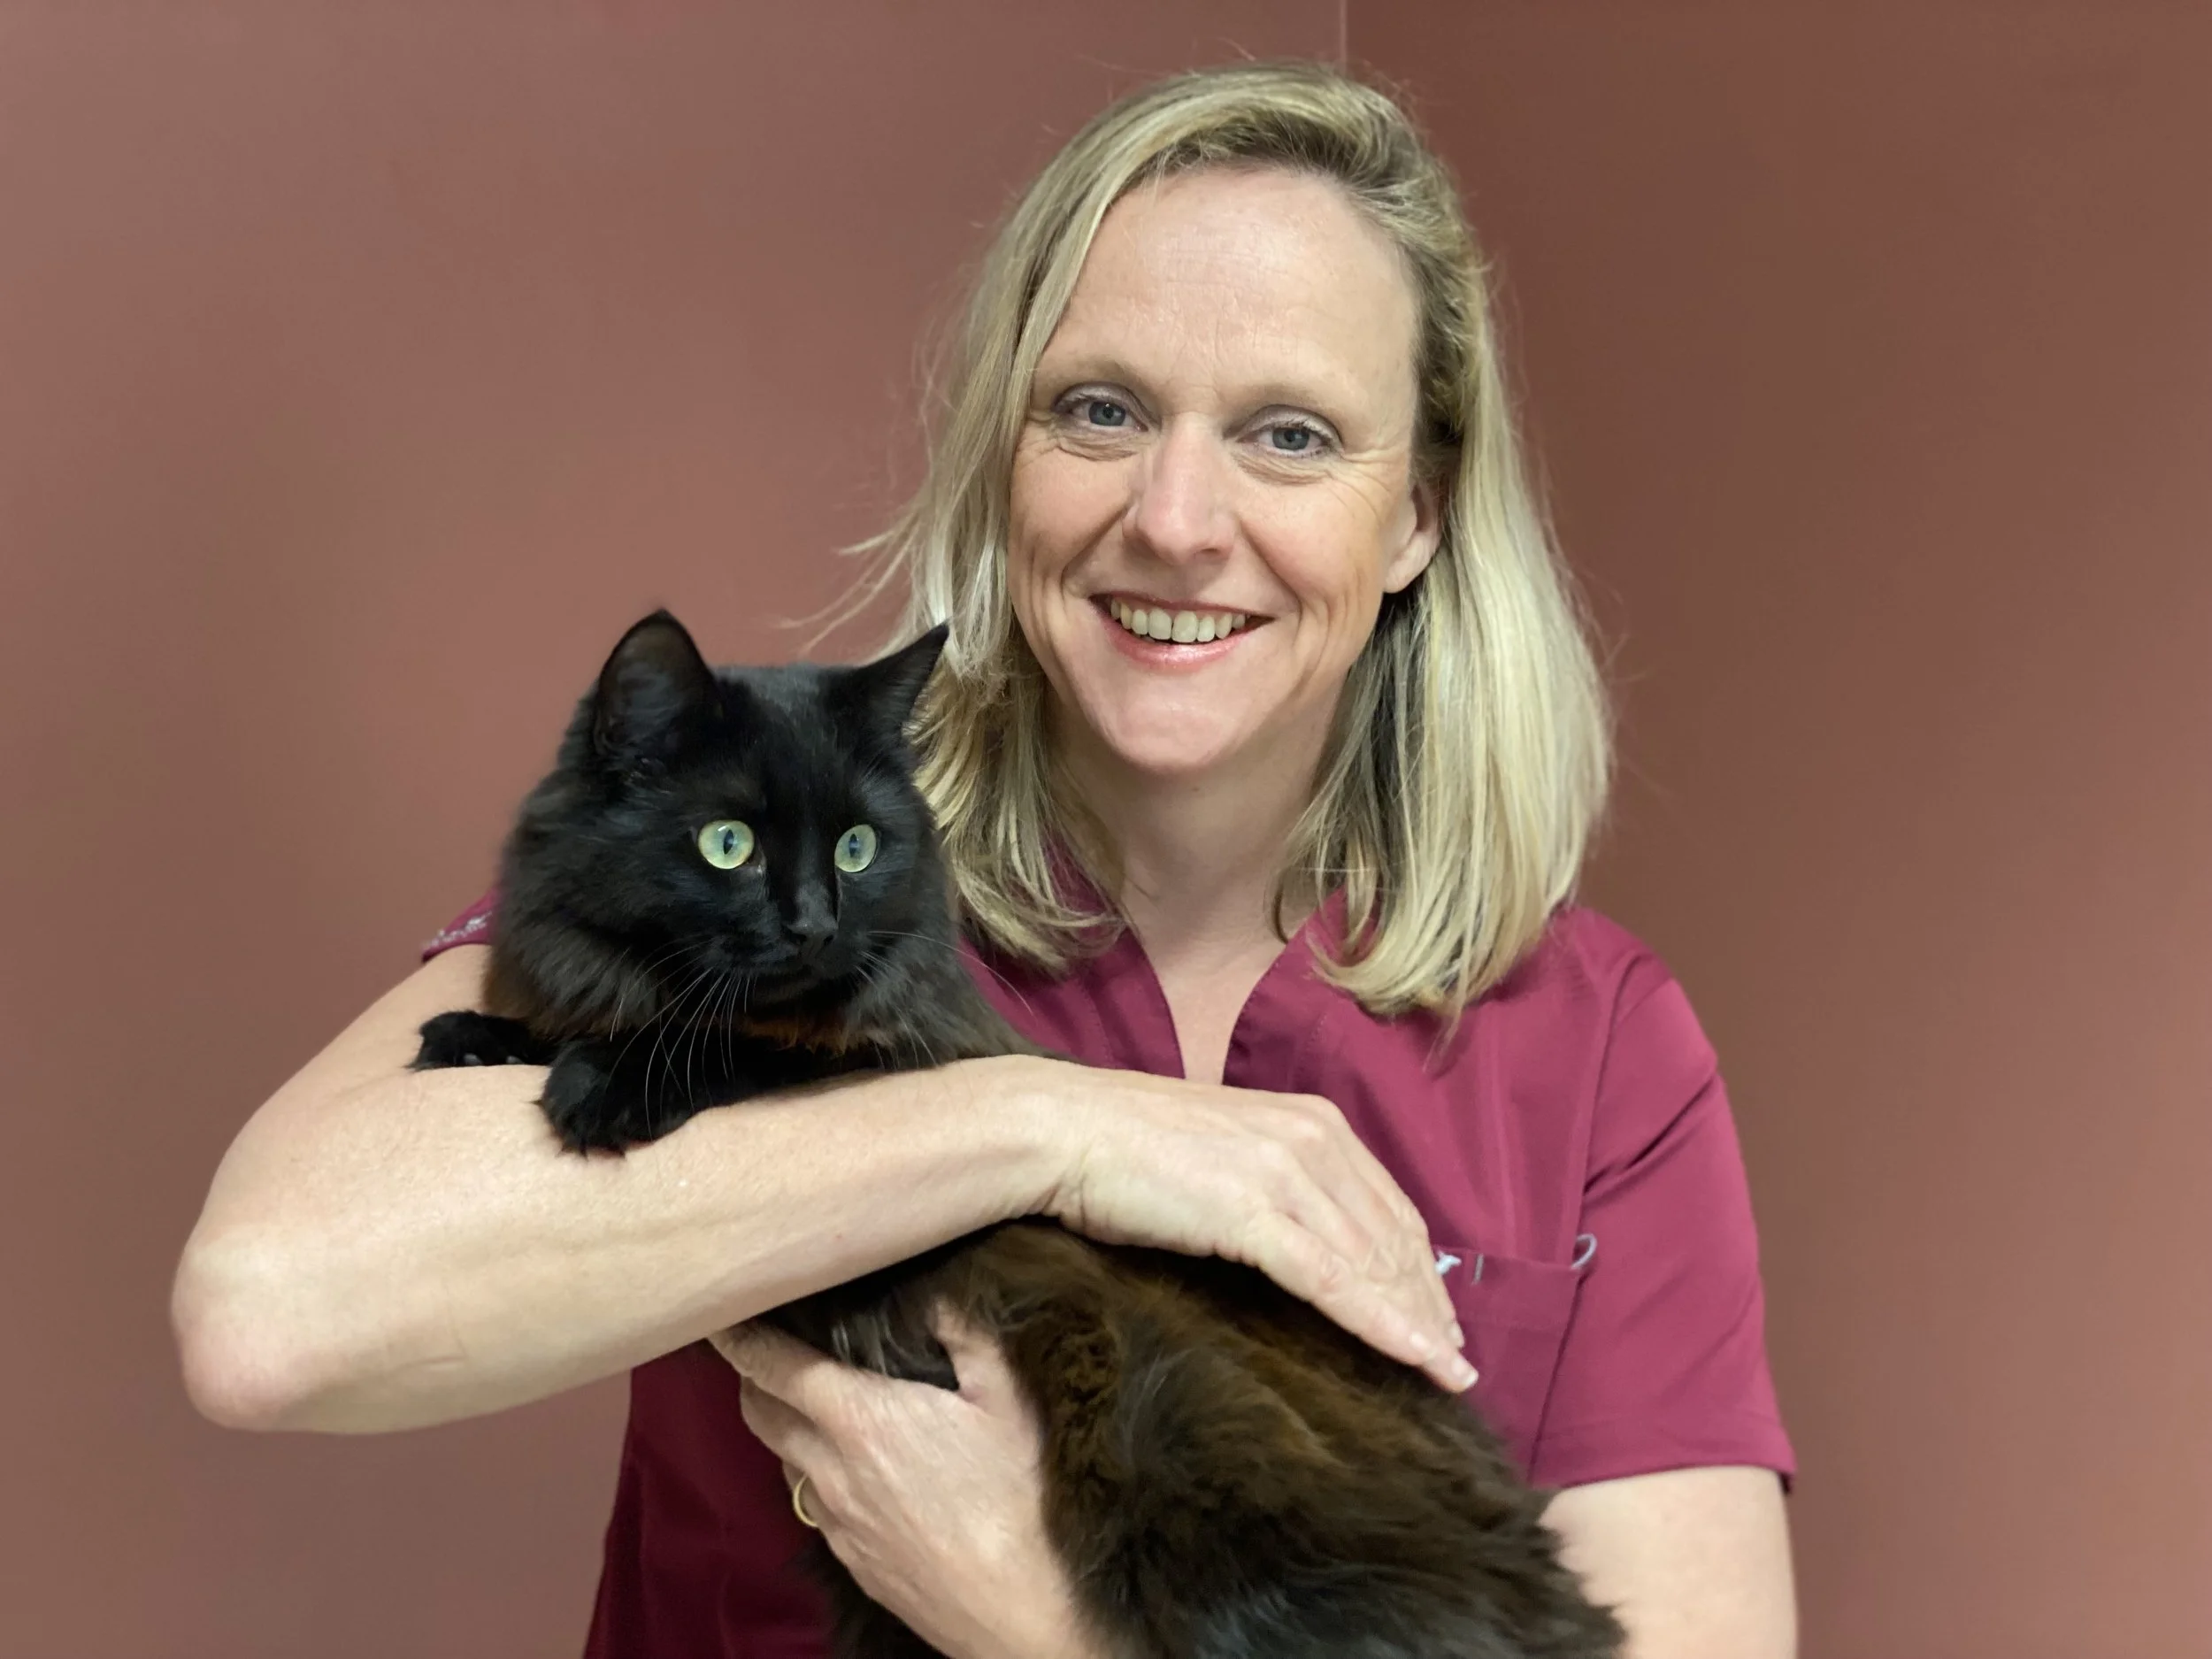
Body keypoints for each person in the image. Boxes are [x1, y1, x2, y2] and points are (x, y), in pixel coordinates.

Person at [173, 61, 1796, 1658]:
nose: (1176, 518)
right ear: (1003, 458)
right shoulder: (765, 884)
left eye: (1290, 434)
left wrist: (1044, 1626)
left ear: (1418, 516)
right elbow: (269, 1311)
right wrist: (1049, 1123)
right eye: (1100, 410)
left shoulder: (1600, 1051)